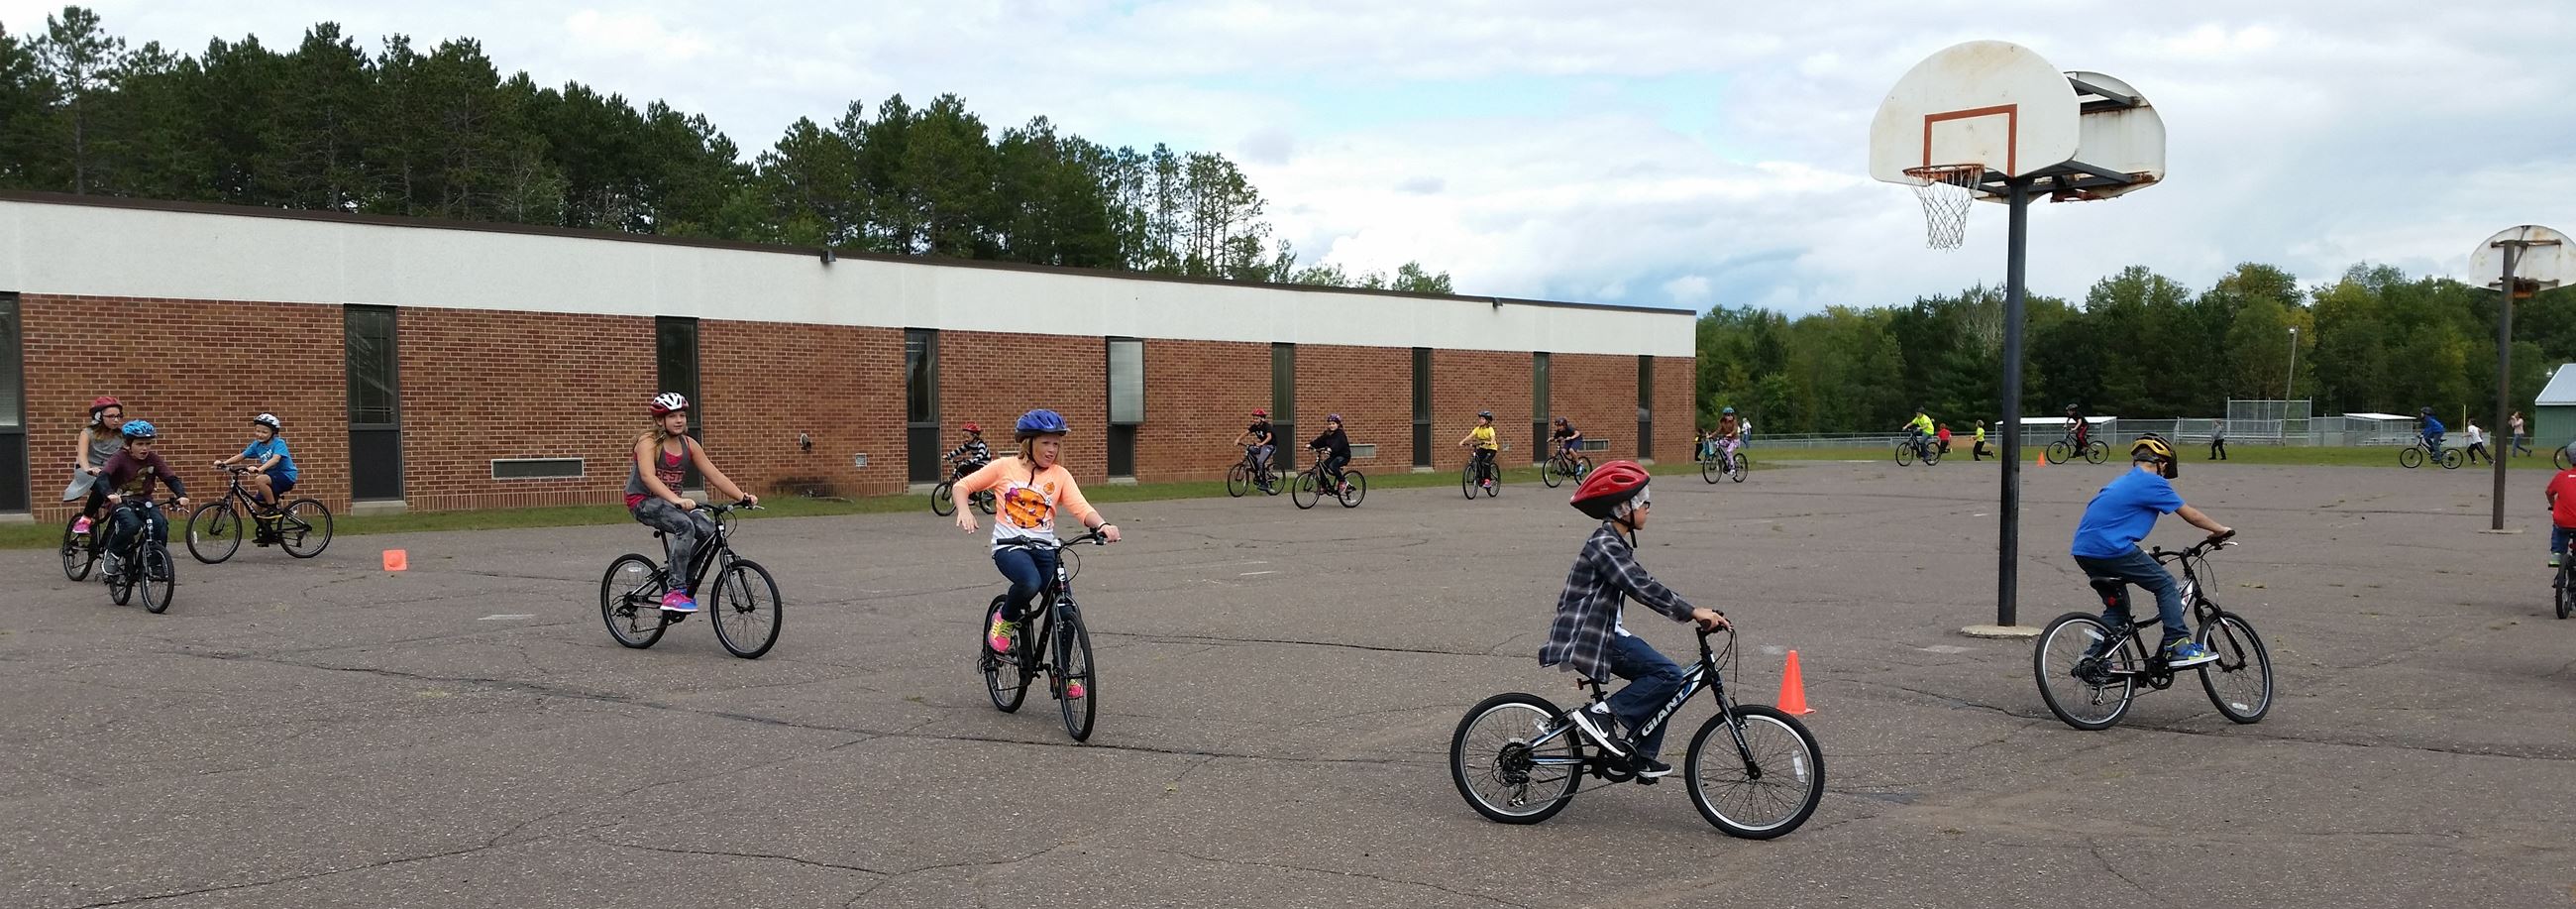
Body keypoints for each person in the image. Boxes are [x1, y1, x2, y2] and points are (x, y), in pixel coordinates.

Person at [1539, 460, 1729, 779]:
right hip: (1590, 635)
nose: (1649, 508)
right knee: (1668, 674)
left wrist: (1694, 609)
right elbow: (1641, 586)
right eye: (1644, 502)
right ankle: (1602, 715)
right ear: (1624, 507)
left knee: (1668, 678)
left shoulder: (1614, 543)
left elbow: (1644, 580)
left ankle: (1640, 754)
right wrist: (1693, 611)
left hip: (1603, 632)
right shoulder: (1603, 545)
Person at [954, 409, 1122, 658]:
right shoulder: (1004, 468)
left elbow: (1081, 507)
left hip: (1044, 548)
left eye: (1056, 443)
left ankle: (1066, 675)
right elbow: (962, 485)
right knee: (1029, 583)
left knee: (1065, 607)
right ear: (1028, 442)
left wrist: (1102, 525)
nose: (1051, 449)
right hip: (1010, 547)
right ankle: (1005, 620)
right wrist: (964, 511)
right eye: (1045, 442)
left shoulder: (1060, 475)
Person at [2070, 437, 2232, 667]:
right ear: (2162, 464)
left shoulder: (2121, 482)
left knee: (2117, 610)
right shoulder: (2153, 482)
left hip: (2085, 551)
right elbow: (2191, 515)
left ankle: (2093, 660)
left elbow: (2110, 521)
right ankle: (2178, 645)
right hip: (2112, 549)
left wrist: (2137, 553)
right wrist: (2220, 530)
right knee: (2166, 584)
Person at [626, 394, 758, 614]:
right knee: (684, 525)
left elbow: (714, 475)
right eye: (672, 416)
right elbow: (648, 477)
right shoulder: (648, 442)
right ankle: (674, 592)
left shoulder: (689, 444)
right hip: (643, 501)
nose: (679, 420)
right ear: (660, 420)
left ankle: (682, 577)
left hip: (672, 503)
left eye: (682, 415)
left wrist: (741, 496)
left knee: (710, 531)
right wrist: (676, 499)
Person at [93, 420, 190, 579]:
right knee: (131, 525)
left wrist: (182, 494)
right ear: (128, 444)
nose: (144, 448)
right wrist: (110, 493)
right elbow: (103, 477)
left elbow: (170, 478)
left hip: (143, 500)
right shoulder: (119, 458)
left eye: (148, 444)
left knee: (160, 524)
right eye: (139, 444)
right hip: (120, 500)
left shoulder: (153, 459)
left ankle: (155, 563)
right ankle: (113, 553)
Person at [63, 397, 126, 537]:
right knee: (100, 484)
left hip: (109, 471)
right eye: (111, 416)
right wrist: (88, 469)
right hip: (88, 471)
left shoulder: (122, 435)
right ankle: (85, 519)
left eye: (118, 416)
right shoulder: (87, 433)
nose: (116, 420)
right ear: (99, 416)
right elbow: (82, 455)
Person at [212, 412, 298, 512]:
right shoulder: (256, 445)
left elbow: (275, 459)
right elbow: (242, 455)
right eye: (258, 431)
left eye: (264, 432)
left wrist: (260, 469)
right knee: (255, 507)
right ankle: (267, 527)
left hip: (285, 476)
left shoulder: (279, 443)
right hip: (270, 478)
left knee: (260, 480)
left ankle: (273, 507)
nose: (260, 435)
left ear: (273, 433)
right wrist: (224, 463)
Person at [1234, 408, 1278, 493]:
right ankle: (1258, 469)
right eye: (1254, 418)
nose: (1255, 420)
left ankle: (1265, 483)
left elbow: (1269, 437)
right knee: (1250, 448)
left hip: (1270, 446)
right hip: (1262, 445)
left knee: (1260, 461)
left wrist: (1261, 444)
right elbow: (1246, 433)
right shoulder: (1254, 426)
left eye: (1257, 418)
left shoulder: (1267, 426)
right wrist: (1238, 439)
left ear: (1262, 419)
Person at [1310, 414, 1353, 496]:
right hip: (1334, 456)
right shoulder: (1328, 433)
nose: (1331, 426)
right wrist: (1312, 445)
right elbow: (1320, 440)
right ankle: (1324, 487)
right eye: (1330, 424)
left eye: (1333, 424)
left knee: (1333, 466)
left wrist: (1331, 449)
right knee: (1323, 466)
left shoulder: (1340, 433)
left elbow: (1337, 444)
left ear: (1338, 424)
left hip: (1343, 456)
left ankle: (1343, 482)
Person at [1456, 410, 1500, 491]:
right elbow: (1470, 436)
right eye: (1480, 419)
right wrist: (1463, 441)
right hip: (1483, 448)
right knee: (1477, 460)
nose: (1480, 420)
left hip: (1491, 449)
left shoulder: (1490, 429)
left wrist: (1491, 442)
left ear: (1487, 421)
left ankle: (1488, 480)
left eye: (1482, 419)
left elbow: (1493, 437)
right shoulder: (1477, 429)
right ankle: (1479, 478)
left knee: (1485, 462)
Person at [2546, 459, 2576, 568]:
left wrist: (2554, 506)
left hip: (2563, 520)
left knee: (2559, 529)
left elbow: (2549, 492)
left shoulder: (2561, 476)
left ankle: (2557, 554)